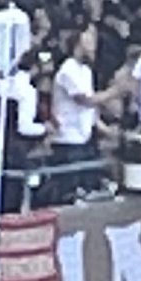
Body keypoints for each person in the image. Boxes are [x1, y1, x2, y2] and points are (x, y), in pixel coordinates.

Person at [47, 26, 117, 202]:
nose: (93, 45)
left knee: (88, 187)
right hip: (67, 140)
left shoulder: (86, 71)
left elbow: (90, 111)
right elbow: (85, 100)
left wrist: (106, 130)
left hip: (85, 138)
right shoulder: (68, 69)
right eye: (90, 40)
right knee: (69, 191)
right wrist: (115, 92)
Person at [0, 57, 47, 211]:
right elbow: (23, 126)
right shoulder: (27, 91)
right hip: (15, 150)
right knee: (12, 194)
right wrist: (44, 129)